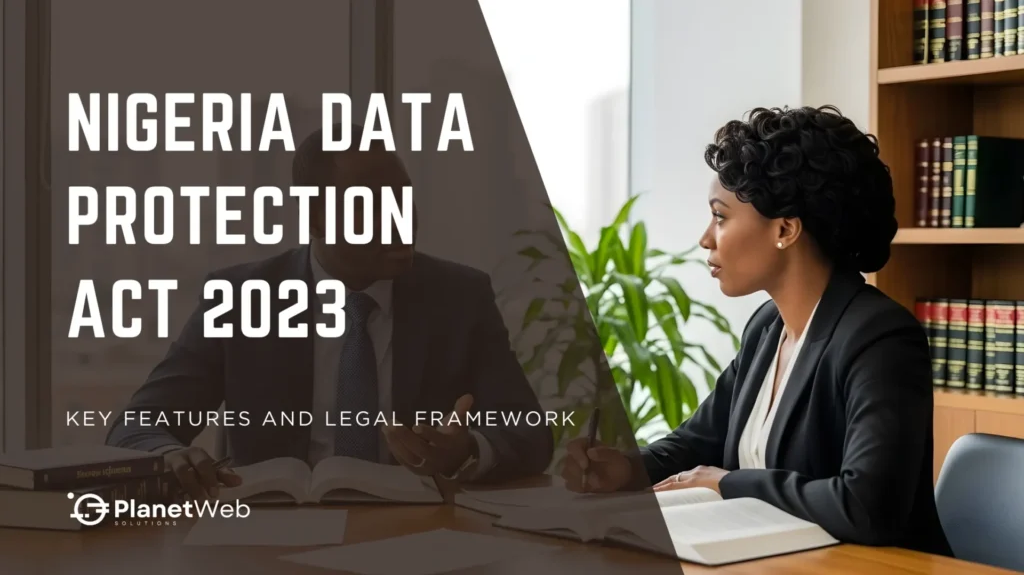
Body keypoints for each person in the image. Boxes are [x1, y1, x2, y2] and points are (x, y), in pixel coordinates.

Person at [561, 106, 953, 557]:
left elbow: (868, 504)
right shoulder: (768, 326)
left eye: (720, 216)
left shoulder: (880, 337)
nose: (706, 239)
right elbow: (699, 439)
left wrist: (730, 484)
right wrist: (626, 469)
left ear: (785, 229)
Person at [107, 123, 554, 500]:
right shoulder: (241, 296)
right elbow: (136, 425)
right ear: (315, 219)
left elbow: (531, 434)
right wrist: (169, 454)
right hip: (268, 542)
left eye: (404, 197)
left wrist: (465, 451)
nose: (402, 219)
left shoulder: (460, 296)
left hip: (416, 536)